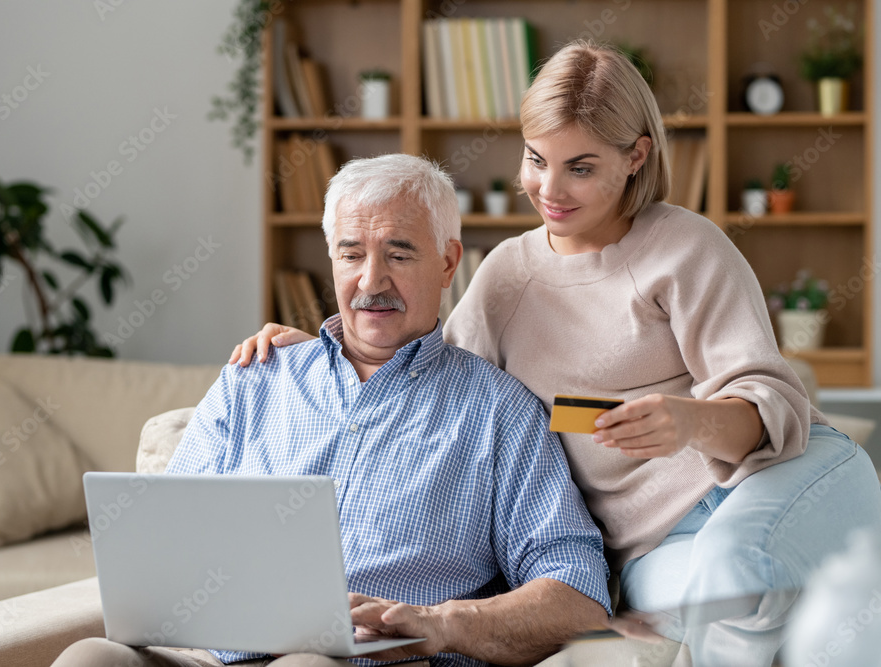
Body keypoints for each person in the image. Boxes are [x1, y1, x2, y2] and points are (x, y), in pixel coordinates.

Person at [231, 42, 881, 665]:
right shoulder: (506, 276)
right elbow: (427, 371)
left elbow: (773, 400)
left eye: (581, 167)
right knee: (720, 610)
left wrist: (688, 420)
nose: (550, 189)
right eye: (537, 159)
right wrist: (323, 348)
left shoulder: (686, 247)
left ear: (635, 157)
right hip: (654, 545)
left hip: (776, 475)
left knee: (738, 569)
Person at [53, 154, 611, 667]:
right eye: (351, 254)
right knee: (90, 659)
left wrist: (441, 624)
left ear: (447, 263)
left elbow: (580, 599)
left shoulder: (499, 412)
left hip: (371, 662)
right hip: (220, 658)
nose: (371, 281)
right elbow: (164, 547)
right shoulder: (254, 380)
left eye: (399, 253)